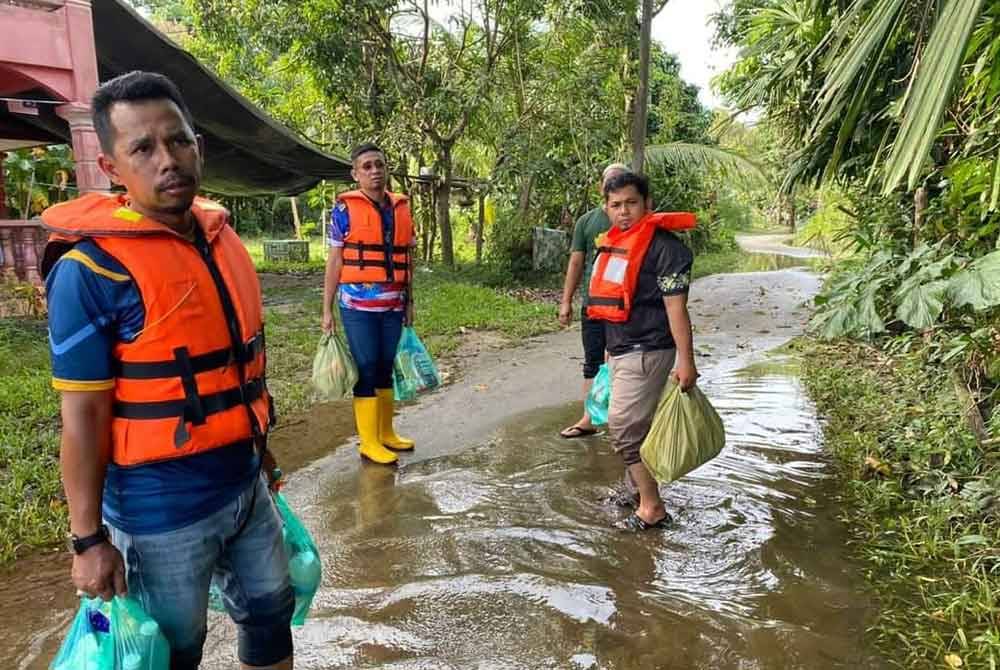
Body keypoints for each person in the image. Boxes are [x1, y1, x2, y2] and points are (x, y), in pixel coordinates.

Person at [40, 71, 294, 669]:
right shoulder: (90, 271)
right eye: (143, 148)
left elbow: (238, 368)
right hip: (159, 511)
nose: (168, 160)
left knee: (271, 616)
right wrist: (87, 540)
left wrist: (261, 451)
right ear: (111, 167)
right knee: (173, 651)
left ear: (198, 147)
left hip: (245, 483)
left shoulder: (220, 238)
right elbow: (82, 418)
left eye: (178, 141)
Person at [586, 172, 697, 531]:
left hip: (649, 348)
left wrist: (687, 362)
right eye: (616, 205)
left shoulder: (666, 249)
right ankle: (635, 490)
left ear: (648, 204)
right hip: (621, 349)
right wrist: (608, 354)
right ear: (606, 208)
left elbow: (677, 308)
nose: (624, 211)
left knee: (623, 427)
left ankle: (652, 507)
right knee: (637, 425)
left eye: (631, 203)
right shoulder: (612, 242)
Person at [322, 143, 415, 466]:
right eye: (367, 166)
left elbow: (408, 259)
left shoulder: (400, 207)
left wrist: (410, 301)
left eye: (379, 164)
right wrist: (326, 309)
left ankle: (386, 433)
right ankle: (369, 442)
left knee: (386, 367)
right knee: (367, 368)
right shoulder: (344, 210)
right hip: (357, 307)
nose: (375, 171)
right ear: (355, 174)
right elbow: (335, 260)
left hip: (393, 305)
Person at [557, 163, 628, 439]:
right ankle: (588, 419)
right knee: (593, 361)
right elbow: (576, 263)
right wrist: (566, 301)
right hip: (594, 304)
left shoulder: (634, 219)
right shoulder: (586, 222)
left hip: (627, 306)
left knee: (625, 361)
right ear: (602, 188)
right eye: (610, 182)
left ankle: (625, 418)